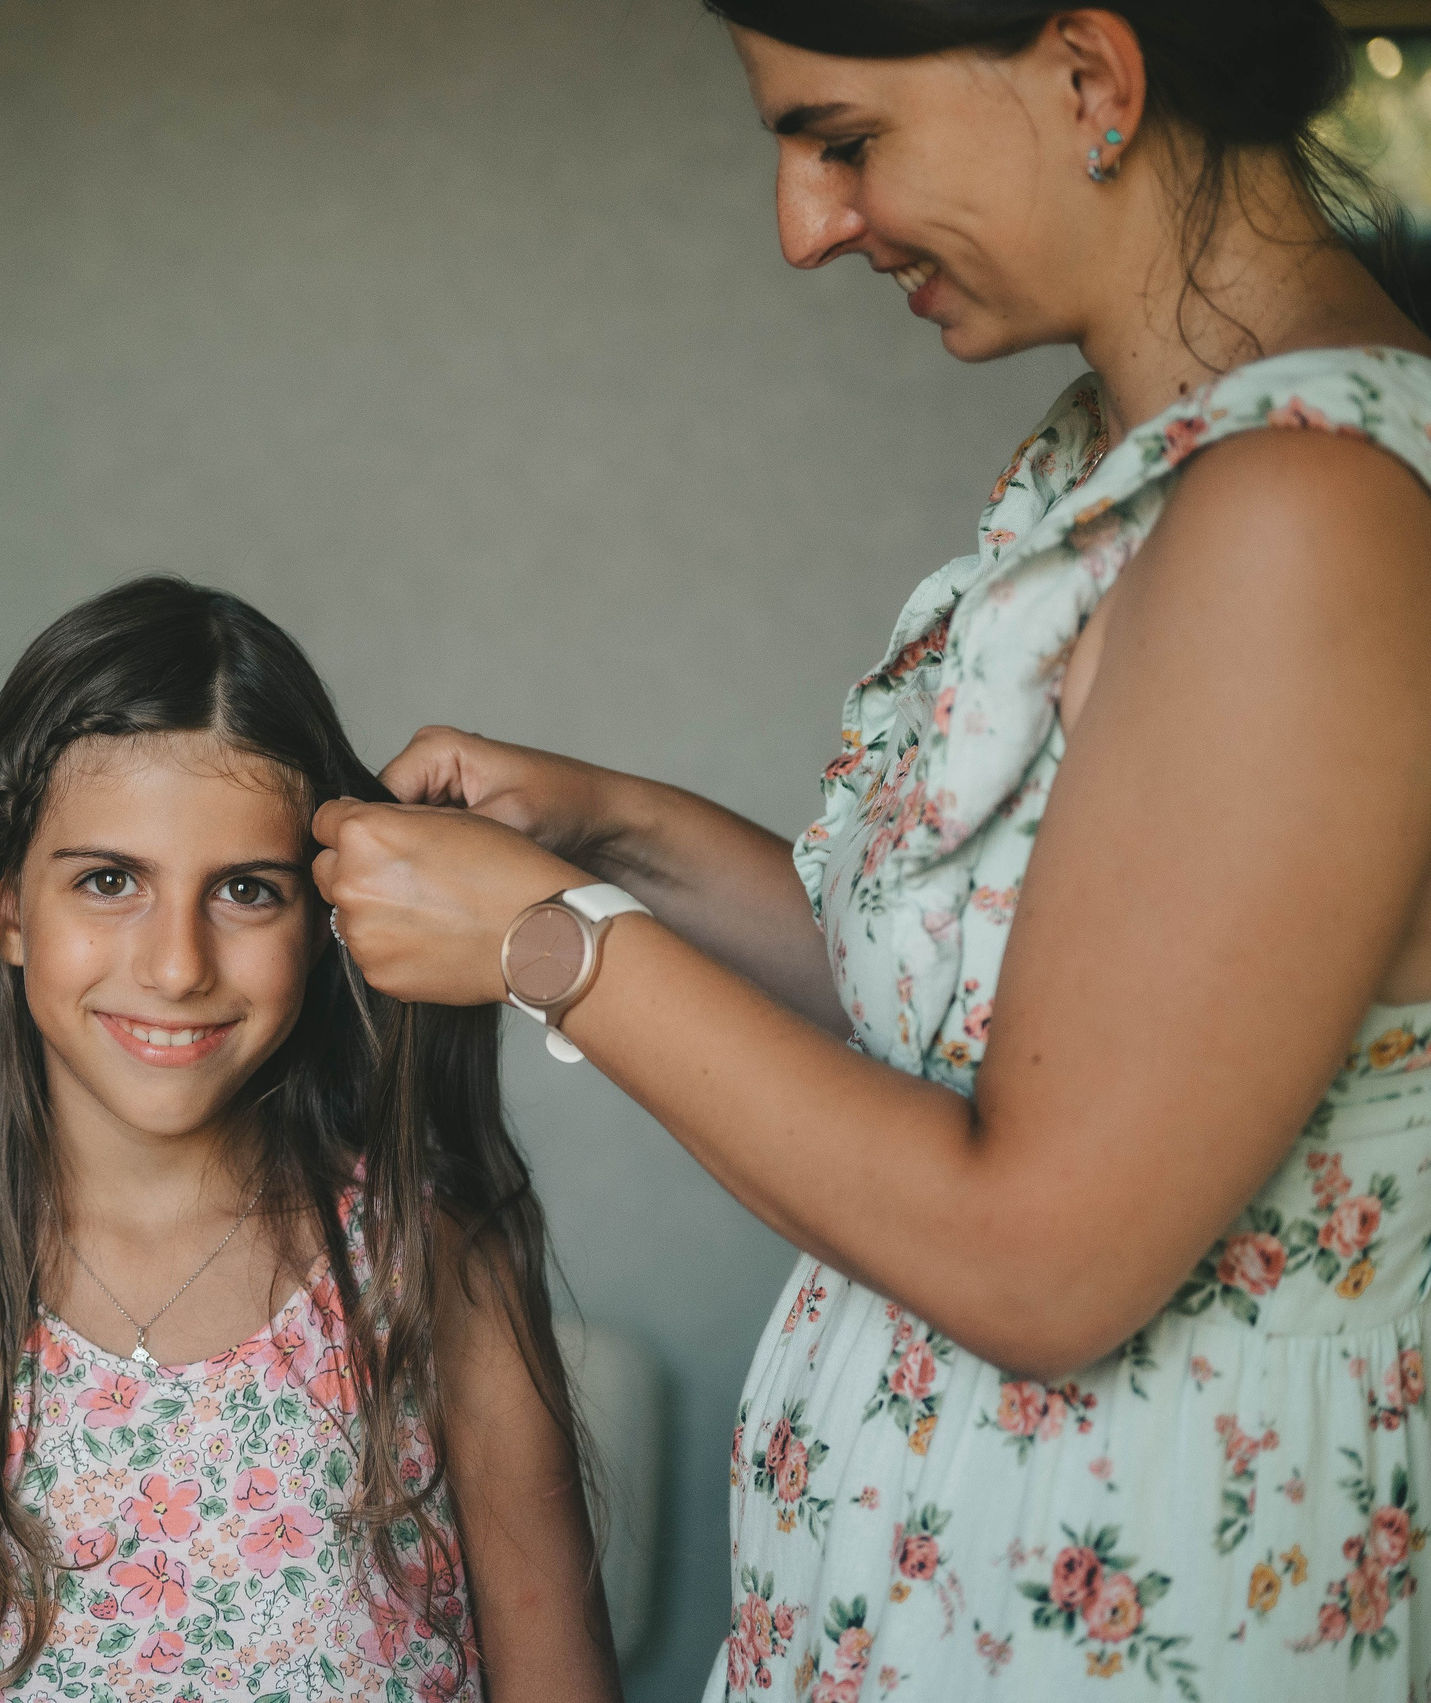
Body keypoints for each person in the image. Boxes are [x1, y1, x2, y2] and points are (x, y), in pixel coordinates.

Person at [311, 2, 1431, 1695]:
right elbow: (1009, 1016)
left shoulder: (1306, 517)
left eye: (844, 141)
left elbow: (1046, 1255)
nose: (806, 226)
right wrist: (614, 830)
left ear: (1092, 77)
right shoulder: (1129, 453)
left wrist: (557, 944)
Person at [0, 577, 624, 1702]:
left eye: (246, 890)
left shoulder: (435, 1276)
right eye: (109, 880)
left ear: (324, 921)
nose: (178, 965)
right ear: (3, 903)